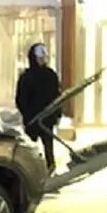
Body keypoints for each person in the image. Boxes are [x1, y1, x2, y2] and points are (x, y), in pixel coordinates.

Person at [16, 43, 62, 171]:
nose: (42, 60)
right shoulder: (27, 77)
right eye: (40, 57)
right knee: (31, 149)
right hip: (34, 119)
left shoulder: (50, 75)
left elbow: (57, 96)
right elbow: (21, 99)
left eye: (44, 57)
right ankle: (32, 170)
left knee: (47, 147)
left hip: (46, 119)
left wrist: (57, 113)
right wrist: (27, 114)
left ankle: (49, 168)